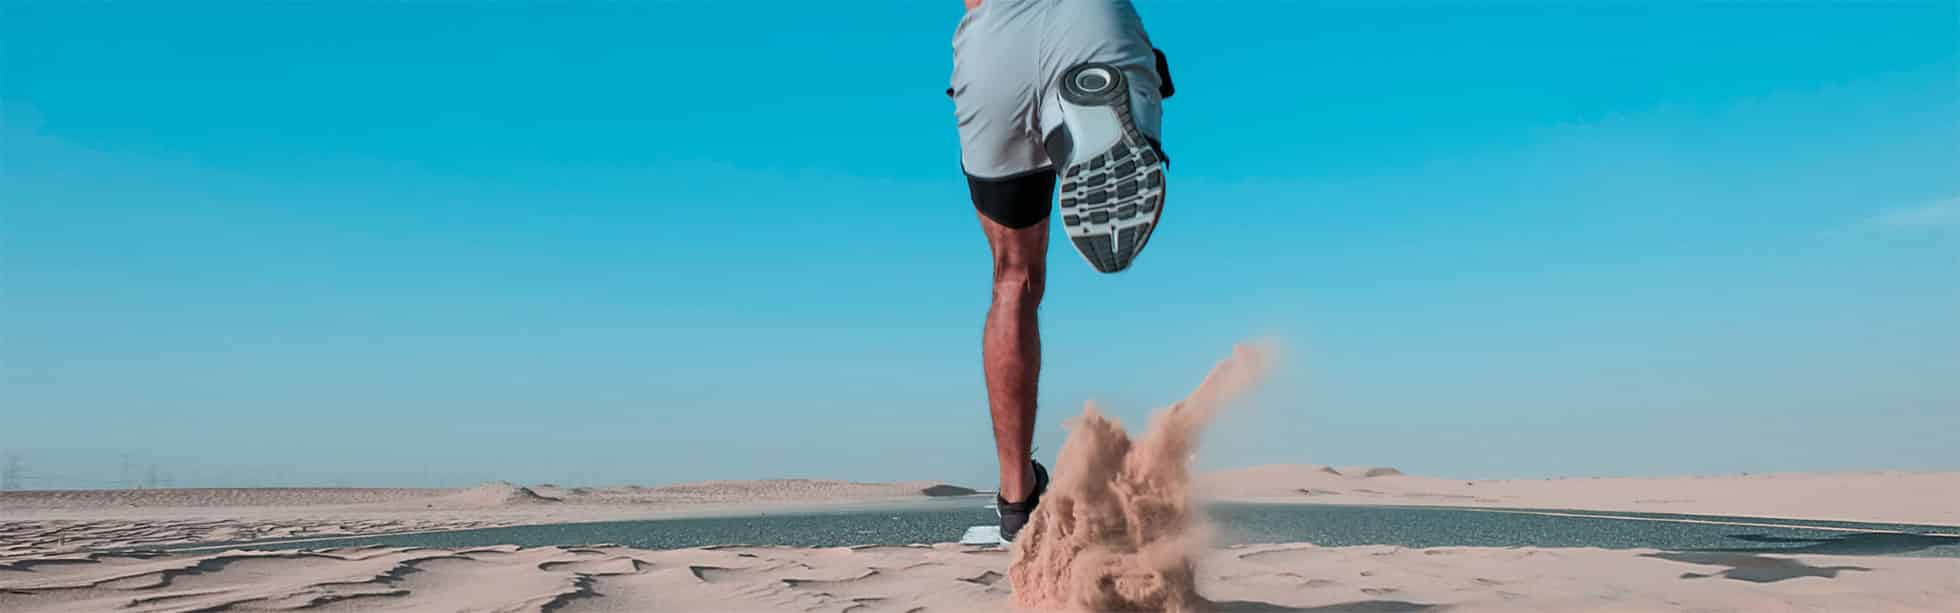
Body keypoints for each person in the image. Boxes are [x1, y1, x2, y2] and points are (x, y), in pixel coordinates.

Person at [949, 0, 1173, 542]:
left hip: (990, 47)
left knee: (1013, 277)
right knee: (1110, 91)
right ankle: (1084, 125)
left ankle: (1016, 501)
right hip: (1090, 26)